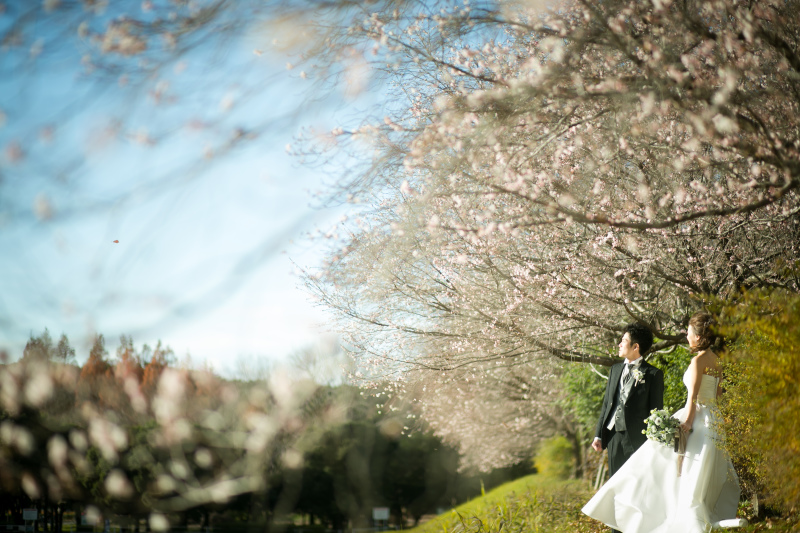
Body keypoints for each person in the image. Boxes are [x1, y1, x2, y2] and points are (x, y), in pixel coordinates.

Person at [582, 312, 741, 533]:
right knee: (699, 473)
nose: (687, 336)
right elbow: (718, 394)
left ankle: (672, 521)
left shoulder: (695, 361)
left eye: (689, 333)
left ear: (698, 336)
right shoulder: (717, 361)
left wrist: (686, 424)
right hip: (712, 419)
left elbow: (692, 399)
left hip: (692, 419)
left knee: (675, 473)